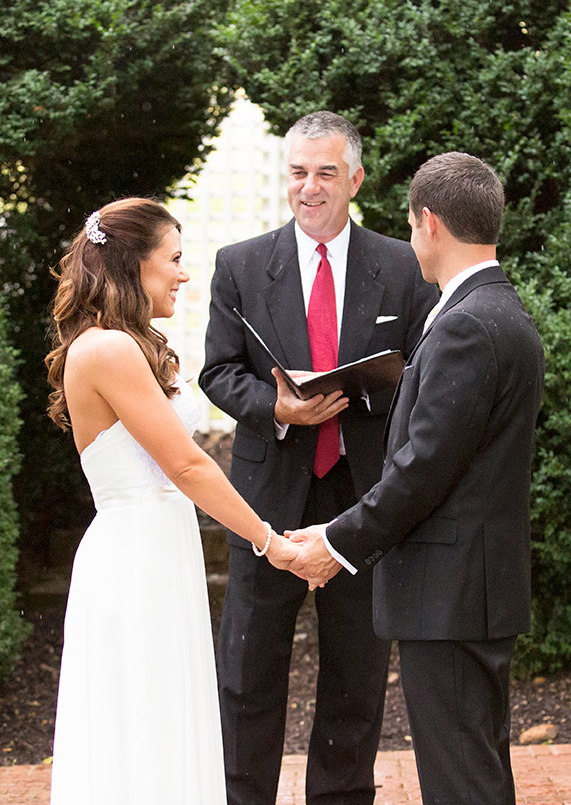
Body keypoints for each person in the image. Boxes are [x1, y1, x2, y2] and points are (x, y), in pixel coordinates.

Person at [287, 153, 545, 805]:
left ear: (427, 221)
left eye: (408, 225)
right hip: (470, 589)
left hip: (452, 592)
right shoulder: (497, 309)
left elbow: (422, 470)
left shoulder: (464, 323)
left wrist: (335, 541)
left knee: (461, 779)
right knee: (476, 769)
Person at [199, 112, 438, 805]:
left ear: (354, 179)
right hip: (266, 493)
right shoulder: (239, 264)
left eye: (325, 173)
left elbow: (422, 369)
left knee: (358, 671)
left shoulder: (400, 265)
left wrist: (355, 396)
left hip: (363, 493)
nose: (309, 187)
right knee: (246, 670)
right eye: (298, 172)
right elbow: (217, 372)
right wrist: (277, 407)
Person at [44, 198, 299, 805]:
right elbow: (185, 464)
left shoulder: (136, 343)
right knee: (141, 722)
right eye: (175, 260)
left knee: (165, 716)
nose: (185, 274)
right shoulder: (105, 349)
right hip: (133, 561)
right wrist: (271, 543)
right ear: (133, 264)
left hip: (162, 551)